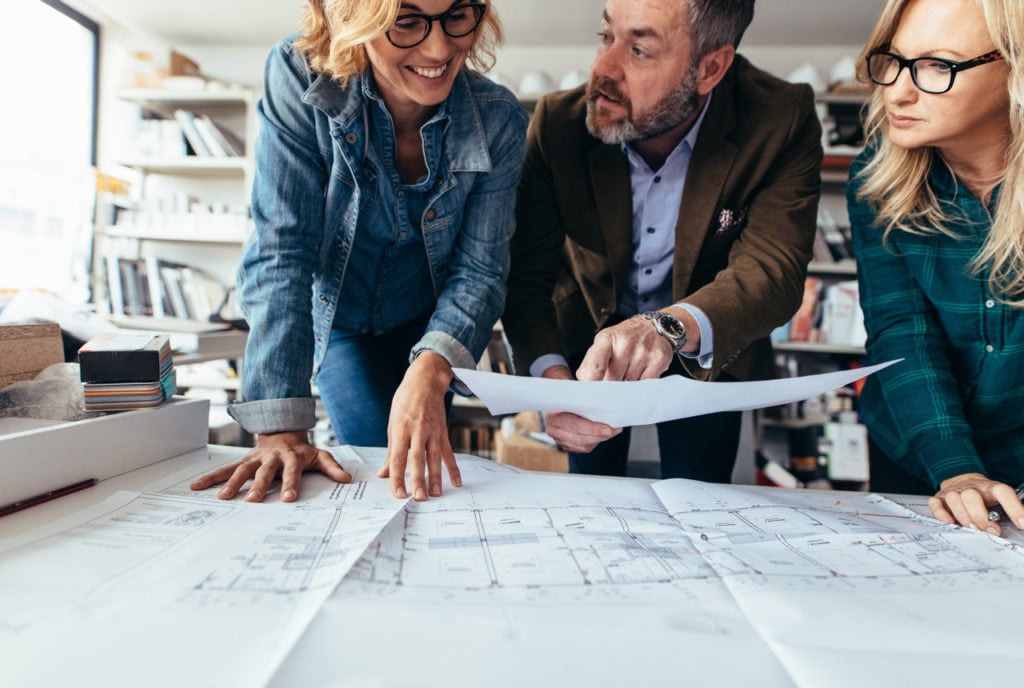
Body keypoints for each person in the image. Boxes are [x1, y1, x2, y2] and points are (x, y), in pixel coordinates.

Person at [189, 0, 528, 504]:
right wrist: (280, 428)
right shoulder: (301, 75)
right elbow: (284, 249)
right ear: (353, 21)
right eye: (405, 23)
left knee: (421, 473)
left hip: (432, 325)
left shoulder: (499, 119)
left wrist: (433, 366)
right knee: (379, 467)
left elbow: (480, 270)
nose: (439, 48)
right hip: (340, 321)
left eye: (457, 15)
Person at [501, 0, 822, 481]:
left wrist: (668, 329)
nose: (602, 70)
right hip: (587, 347)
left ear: (710, 69)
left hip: (708, 347)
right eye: (606, 36)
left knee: (700, 503)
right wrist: (553, 386)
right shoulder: (557, 124)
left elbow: (771, 270)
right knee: (592, 496)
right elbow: (526, 279)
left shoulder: (780, 118)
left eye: (640, 50)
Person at [848, 0, 1024, 535]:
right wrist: (956, 468)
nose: (897, 92)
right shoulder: (876, 178)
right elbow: (903, 333)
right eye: (896, 60)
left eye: (937, 67)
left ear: (1014, 67)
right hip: (916, 450)